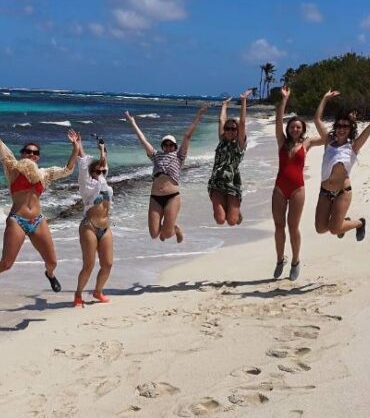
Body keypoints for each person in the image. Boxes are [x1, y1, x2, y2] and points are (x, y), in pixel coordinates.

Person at [0, 108, 79, 306]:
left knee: (52, 262)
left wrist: (75, 148)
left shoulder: (45, 174)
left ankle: (50, 274)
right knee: (6, 264)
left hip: (38, 220)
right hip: (17, 220)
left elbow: (67, 170)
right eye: (28, 151)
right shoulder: (12, 167)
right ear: (22, 154)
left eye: (35, 153)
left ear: (38, 157)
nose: (31, 154)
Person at [312, 92, 370, 242]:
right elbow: (317, 120)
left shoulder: (353, 146)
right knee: (321, 229)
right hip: (325, 192)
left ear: (350, 128)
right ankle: (343, 221)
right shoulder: (328, 142)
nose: (341, 128)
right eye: (339, 125)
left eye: (345, 126)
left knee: (334, 229)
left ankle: (360, 223)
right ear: (335, 127)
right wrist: (324, 99)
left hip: (342, 192)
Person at [125, 104, 208, 243]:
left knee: (167, 235)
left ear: (175, 147)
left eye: (171, 145)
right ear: (162, 146)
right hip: (155, 197)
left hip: (172, 197)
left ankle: (175, 229)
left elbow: (187, 136)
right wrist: (132, 122)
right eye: (165, 144)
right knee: (154, 234)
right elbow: (143, 141)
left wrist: (199, 115)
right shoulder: (156, 155)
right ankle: (169, 227)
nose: (168, 147)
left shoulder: (179, 156)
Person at [272, 85, 323, 280]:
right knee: (279, 226)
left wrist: (324, 102)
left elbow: (326, 138)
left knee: (293, 227)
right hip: (279, 188)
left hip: (297, 189)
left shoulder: (307, 143)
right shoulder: (281, 141)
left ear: (302, 129)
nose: (295, 129)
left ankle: (295, 260)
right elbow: (278, 120)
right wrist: (284, 100)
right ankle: (279, 259)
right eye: (292, 126)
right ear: (288, 129)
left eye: (298, 127)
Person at [73, 135, 114, 307]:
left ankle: (98, 291)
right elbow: (84, 165)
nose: (101, 173)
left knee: (107, 264)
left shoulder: (104, 182)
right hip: (89, 227)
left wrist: (102, 150)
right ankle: (78, 294)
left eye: (103, 172)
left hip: (105, 228)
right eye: (97, 172)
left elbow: (103, 164)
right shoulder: (86, 185)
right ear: (90, 173)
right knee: (88, 265)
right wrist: (78, 146)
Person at [207, 89, 251, 226]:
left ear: (237, 131)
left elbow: (242, 122)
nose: (230, 131)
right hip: (217, 181)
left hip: (232, 182)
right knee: (220, 220)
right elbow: (221, 120)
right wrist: (224, 105)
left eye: (233, 129)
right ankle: (225, 205)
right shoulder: (222, 141)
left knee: (232, 221)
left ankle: (234, 209)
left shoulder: (239, 144)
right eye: (227, 129)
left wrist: (243, 101)